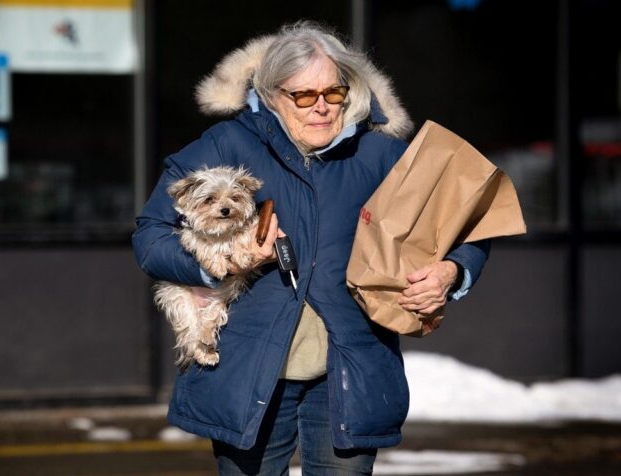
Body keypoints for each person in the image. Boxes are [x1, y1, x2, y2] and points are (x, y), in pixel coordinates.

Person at [133, 21, 490, 475]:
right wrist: (217, 264)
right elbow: (150, 235)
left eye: (334, 93)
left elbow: (468, 222)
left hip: (350, 370)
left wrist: (451, 273)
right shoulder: (227, 143)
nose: (321, 108)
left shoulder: (381, 153)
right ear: (271, 94)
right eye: (303, 96)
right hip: (249, 371)